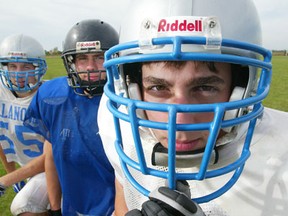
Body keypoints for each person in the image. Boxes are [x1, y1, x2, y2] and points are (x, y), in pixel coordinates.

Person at [98, 0, 288, 215]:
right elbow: (123, 194)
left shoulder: (281, 154)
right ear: (132, 89)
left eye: (205, 87)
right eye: (159, 87)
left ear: (242, 88)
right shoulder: (118, 126)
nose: (179, 122)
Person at [23, 19, 119, 216]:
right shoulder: (51, 95)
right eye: (83, 58)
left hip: (116, 204)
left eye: (99, 57)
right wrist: (55, 207)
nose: (91, 67)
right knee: (22, 206)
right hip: (73, 202)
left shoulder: (125, 100)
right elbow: (51, 156)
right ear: (72, 62)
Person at [0, 34, 49, 215]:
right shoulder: (1, 93)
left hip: (55, 169)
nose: (18, 73)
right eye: (12, 66)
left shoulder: (49, 97)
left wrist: (8, 179)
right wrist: (12, 173)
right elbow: (2, 139)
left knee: (23, 208)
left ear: (38, 68)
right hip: (28, 170)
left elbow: (51, 157)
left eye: (26, 66)